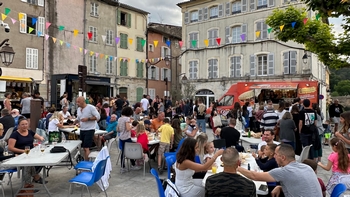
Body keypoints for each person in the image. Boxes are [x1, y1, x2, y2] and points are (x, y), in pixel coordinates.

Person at [237, 144, 323, 197]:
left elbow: (254, 176)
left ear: (283, 157)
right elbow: (300, 186)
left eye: (276, 154)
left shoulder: (284, 171)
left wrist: (236, 166)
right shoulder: (306, 168)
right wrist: (280, 187)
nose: (274, 157)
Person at [8, 118, 46, 189]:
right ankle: (28, 184)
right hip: (19, 155)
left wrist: (40, 139)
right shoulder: (15, 134)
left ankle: (35, 177)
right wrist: (23, 151)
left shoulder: (30, 132)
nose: (25, 126)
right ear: (18, 125)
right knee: (27, 164)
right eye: (22, 124)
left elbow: (39, 138)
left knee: (43, 159)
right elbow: (10, 148)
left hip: (30, 154)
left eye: (26, 124)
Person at [75, 96, 100, 161]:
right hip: (82, 129)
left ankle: (86, 163)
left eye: (78, 102)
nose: (77, 103)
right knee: (83, 147)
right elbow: (78, 118)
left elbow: (98, 117)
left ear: (83, 101)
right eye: (77, 102)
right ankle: (86, 160)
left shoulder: (91, 108)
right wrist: (74, 121)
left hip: (90, 129)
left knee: (86, 148)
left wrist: (88, 119)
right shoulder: (78, 109)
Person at [118, 106, 141, 173]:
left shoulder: (119, 119)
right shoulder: (127, 119)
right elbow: (128, 128)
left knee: (123, 152)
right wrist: (132, 126)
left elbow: (118, 129)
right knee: (130, 151)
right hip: (126, 137)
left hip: (121, 137)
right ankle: (133, 165)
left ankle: (123, 166)